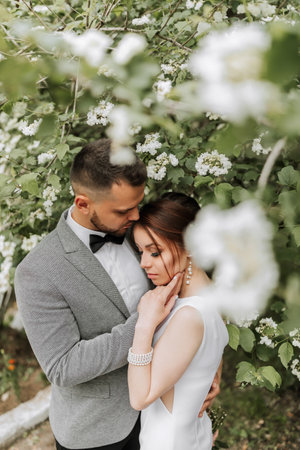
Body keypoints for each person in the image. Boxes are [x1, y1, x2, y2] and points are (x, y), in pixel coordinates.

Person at [14, 139, 220, 450]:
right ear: (83, 203)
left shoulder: (141, 234)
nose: (137, 215)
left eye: (138, 203)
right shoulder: (37, 272)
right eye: (125, 209)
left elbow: (196, 300)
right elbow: (63, 367)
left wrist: (208, 370)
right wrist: (142, 326)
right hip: (97, 431)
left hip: (165, 413)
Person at [128, 193, 228, 450]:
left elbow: (140, 398)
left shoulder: (188, 316)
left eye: (155, 252)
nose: (143, 263)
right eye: (141, 252)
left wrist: (145, 325)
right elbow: (209, 368)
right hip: (189, 435)